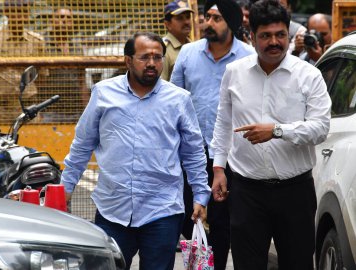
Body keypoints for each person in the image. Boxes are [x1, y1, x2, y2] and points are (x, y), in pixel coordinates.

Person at [60, 32, 211, 270]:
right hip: (112, 211)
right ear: (128, 61)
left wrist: (201, 195)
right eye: (144, 57)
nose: (152, 63)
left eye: (157, 57)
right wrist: (64, 189)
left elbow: (193, 153)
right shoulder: (103, 93)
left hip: (162, 211)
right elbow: (82, 145)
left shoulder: (179, 100)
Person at [210, 0, 332, 269]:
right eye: (265, 36)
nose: (274, 42)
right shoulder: (234, 73)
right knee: (247, 264)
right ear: (252, 37)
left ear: (288, 35)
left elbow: (321, 128)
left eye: (280, 35)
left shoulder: (309, 76)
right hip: (246, 191)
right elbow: (224, 122)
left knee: (297, 263)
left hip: (295, 192)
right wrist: (219, 168)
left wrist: (277, 131)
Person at [170, 0, 254, 269]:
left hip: (228, 154)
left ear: (231, 23)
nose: (208, 23)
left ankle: (215, 264)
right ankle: (201, 244)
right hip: (190, 151)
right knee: (184, 213)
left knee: (221, 218)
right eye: (206, 17)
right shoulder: (188, 53)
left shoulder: (248, 57)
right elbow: (173, 99)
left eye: (216, 18)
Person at [0, 0, 46, 124]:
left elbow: (41, 76)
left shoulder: (37, 41)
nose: (20, 17)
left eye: (24, 12)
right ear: (6, 12)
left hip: (27, 107)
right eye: (15, 11)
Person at [41, 7, 89, 122]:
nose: (64, 20)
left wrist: (87, 110)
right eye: (60, 17)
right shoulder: (43, 45)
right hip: (50, 111)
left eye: (68, 18)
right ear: (52, 21)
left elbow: (82, 80)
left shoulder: (77, 48)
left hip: (74, 110)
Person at [161, 0, 194, 81]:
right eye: (180, 18)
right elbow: (160, 85)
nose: (186, 22)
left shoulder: (193, 46)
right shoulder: (162, 49)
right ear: (167, 24)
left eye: (188, 17)